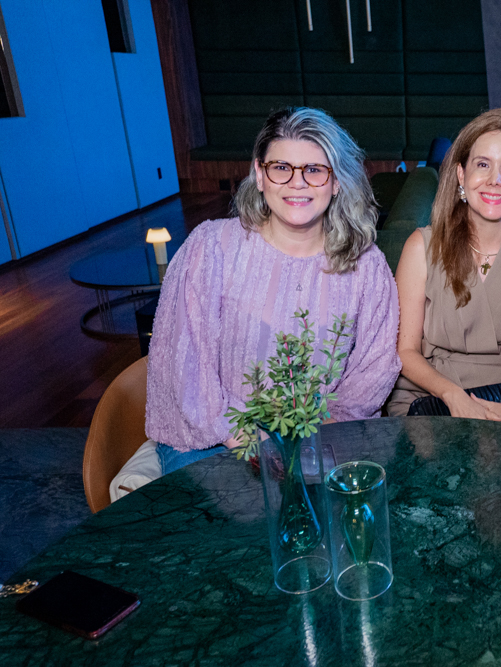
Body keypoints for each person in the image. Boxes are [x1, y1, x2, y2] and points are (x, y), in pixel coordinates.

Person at [146, 107, 401, 475]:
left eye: (314, 170)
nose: (297, 183)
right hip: (211, 437)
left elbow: (375, 367)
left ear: (336, 182)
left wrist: (313, 436)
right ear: (260, 174)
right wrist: (246, 438)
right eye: (281, 167)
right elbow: (182, 367)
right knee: (247, 507)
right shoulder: (211, 247)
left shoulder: (366, 264)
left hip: (319, 434)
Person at [386, 108, 501, 428]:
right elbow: (405, 351)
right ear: (461, 174)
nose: (495, 179)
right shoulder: (420, 246)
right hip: (428, 399)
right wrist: (452, 395)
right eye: (483, 164)